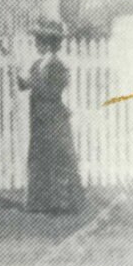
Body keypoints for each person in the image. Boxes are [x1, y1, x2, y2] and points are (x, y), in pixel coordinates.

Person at [20, 18, 85, 214]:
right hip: (39, 118)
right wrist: (17, 75)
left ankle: (63, 204)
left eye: (39, 41)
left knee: (58, 158)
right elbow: (24, 86)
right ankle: (40, 203)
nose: (36, 44)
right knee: (39, 157)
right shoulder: (37, 64)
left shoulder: (58, 66)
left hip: (55, 118)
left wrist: (31, 83)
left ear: (49, 43)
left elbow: (52, 92)